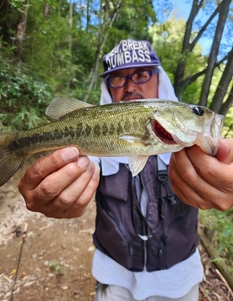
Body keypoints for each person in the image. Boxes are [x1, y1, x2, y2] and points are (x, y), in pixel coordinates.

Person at [18, 39, 232, 301]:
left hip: (180, 280)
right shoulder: (96, 155)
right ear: (107, 88)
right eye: (117, 79)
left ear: (160, 79)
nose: (131, 86)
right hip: (114, 280)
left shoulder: (189, 149)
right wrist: (54, 193)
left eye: (142, 74)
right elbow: (85, 166)